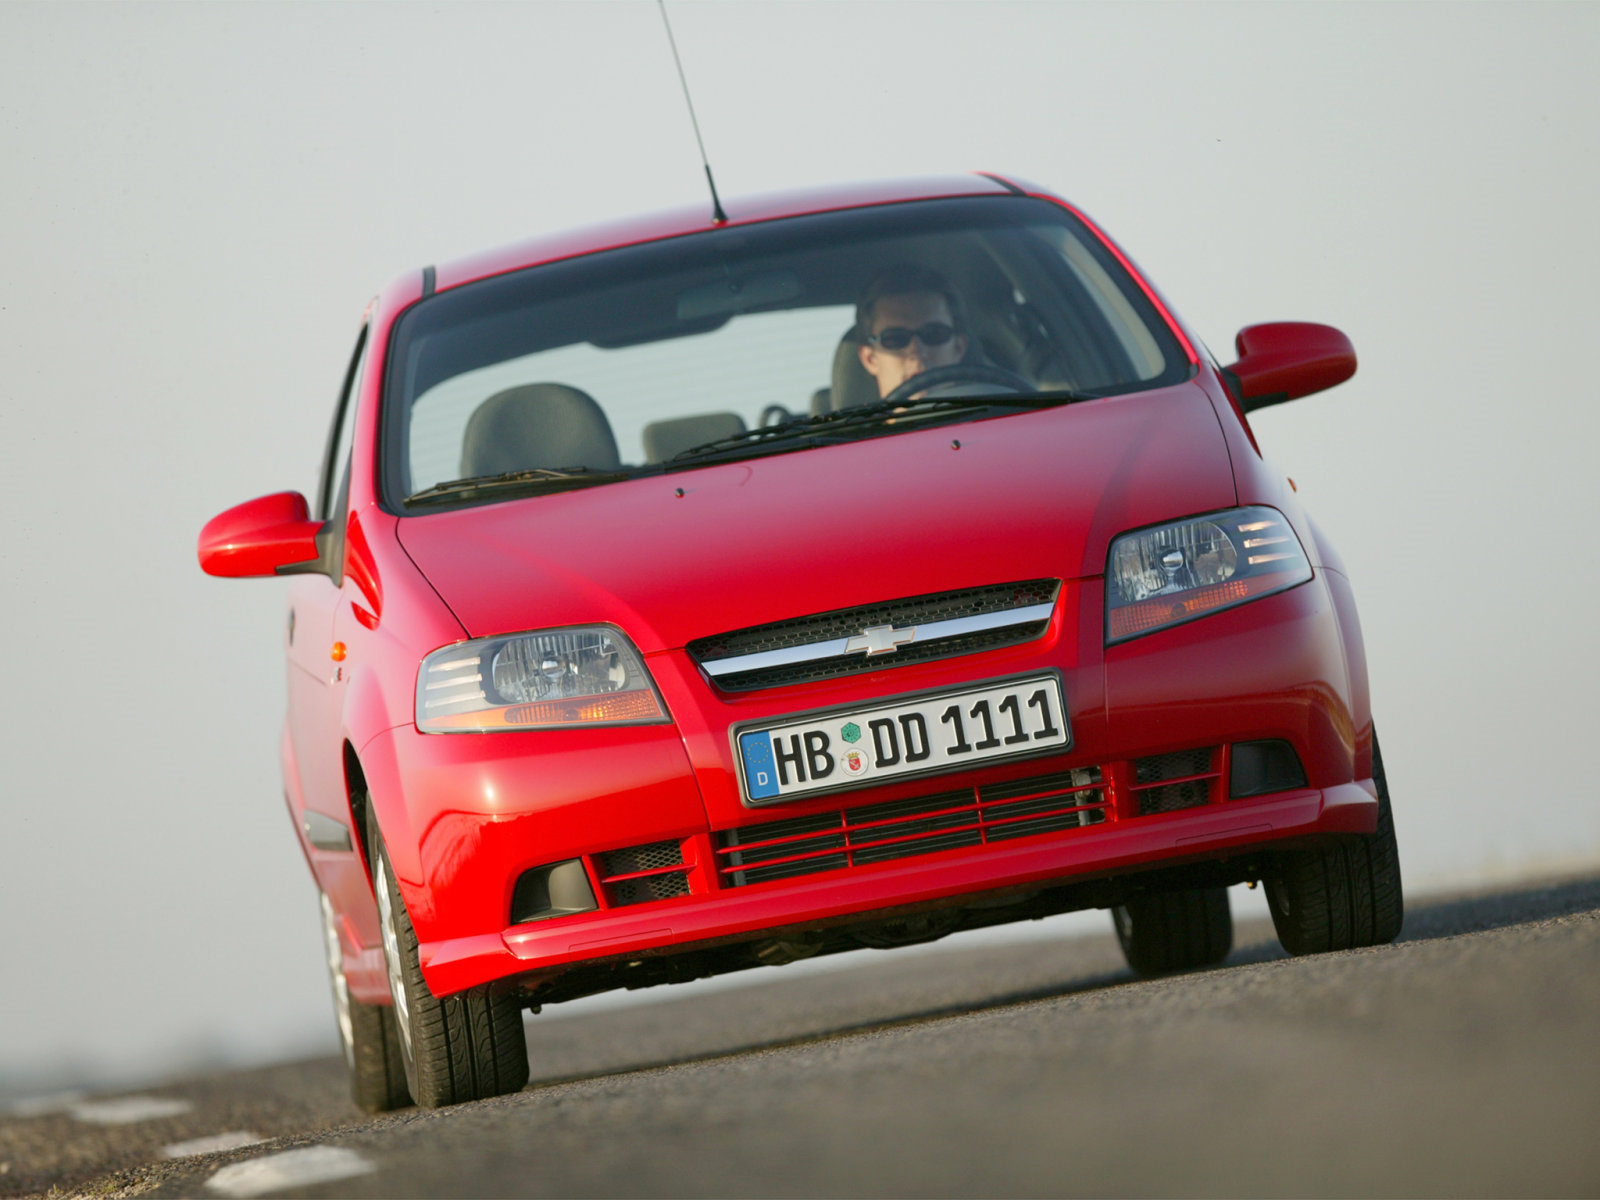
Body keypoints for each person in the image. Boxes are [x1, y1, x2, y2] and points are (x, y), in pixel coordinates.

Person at [855, 265, 969, 401]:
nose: (917, 351)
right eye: (895, 339)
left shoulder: (997, 416)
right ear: (870, 359)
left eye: (934, 334)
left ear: (959, 348)